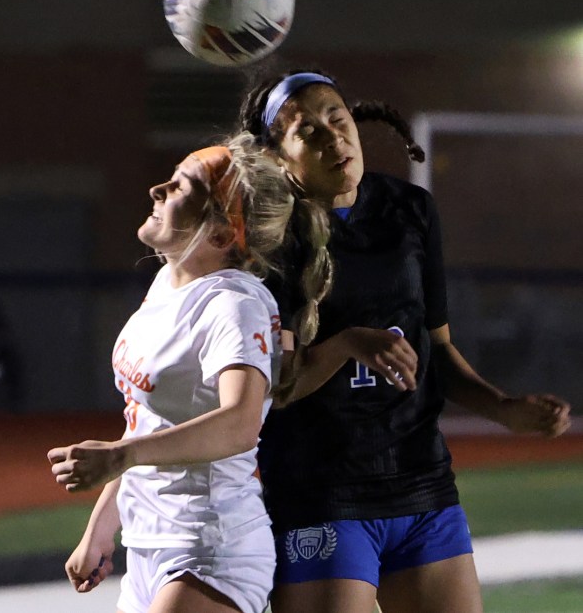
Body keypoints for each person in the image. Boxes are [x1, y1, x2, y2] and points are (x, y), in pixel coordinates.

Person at [237, 69, 572, 613]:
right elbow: (277, 390)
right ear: (279, 158)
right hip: (321, 495)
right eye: (308, 132)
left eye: (337, 119)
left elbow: (436, 350)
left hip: (422, 484)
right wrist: (348, 344)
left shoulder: (410, 210)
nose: (333, 137)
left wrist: (503, 408)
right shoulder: (272, 242)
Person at [47, 131, 332, 613]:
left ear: (220, 235)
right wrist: (101, 527)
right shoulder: (166, 285)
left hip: (210, 546)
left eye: (180, 187)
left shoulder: (232, 304)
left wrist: (120, 456)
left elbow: (240, 423)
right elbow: (146, 419)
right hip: (149, 544)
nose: (158, 189)